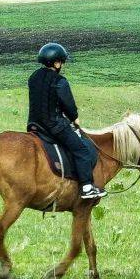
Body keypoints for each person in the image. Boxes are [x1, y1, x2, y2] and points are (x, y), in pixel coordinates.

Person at [27, 42, 105, 200]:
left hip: (34, 125)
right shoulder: (60, 81)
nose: (62, 65)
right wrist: (75, 118)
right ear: (56, 63)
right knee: (82, 150)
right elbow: (68, 105)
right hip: (54, 126)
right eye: (61, 62)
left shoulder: (33, 78)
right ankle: (87, 187)